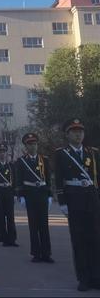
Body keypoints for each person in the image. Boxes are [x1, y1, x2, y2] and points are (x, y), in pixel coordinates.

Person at [55, 118, 100, 291]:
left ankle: (96, 276)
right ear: (67, 134)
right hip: (74, 200)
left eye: (80, 131)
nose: (78, 134)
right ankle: (84, 278)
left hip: (92, 199)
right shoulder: (61, 154)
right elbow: (58, 179)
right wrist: (62, 201)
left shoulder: (93, 153)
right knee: (79, 240)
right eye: (74, 131)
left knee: (95, 238)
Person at [15, 132, 53, 264]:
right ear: (26, 146)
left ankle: (46, 253)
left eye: (34, 144)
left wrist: (50, 195)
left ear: (37, 145)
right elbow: (18, 179)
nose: (33, 146)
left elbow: (48, 179)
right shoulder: (21, 162)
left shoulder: (44, 160)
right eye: (30, 144)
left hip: (42, 194)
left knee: (44, 224)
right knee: (33, 225)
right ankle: (36, 253)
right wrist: (21, 196)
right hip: (30, 195)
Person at [0, 143, 18, 247]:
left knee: (11, 217)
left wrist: (15, 194)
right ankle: (4, 239)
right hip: (0, 192)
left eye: (3, 152)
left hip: (9, 192)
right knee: (1, 216)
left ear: (6, 153)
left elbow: (14, 180)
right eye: (0, 152)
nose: (2, 154)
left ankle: (12, 239)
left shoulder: (11, 165)